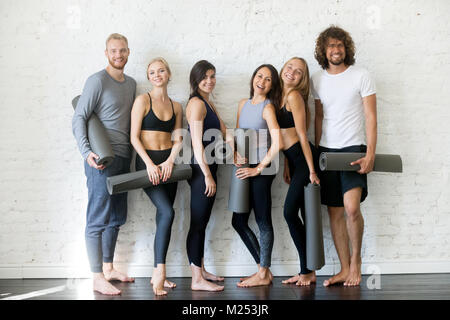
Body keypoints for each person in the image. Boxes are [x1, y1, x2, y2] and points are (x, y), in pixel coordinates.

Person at [312, 25, 377, 287]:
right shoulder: (317, 79)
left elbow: (371, 116)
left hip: (353, 150)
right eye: (331, 46)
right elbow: (318, 116)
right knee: (335, 213)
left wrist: (370, 153)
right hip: (327, 152)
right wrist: (317, 154)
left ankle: (356, 264)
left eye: (339, 45)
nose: (335, 50)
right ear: (323, 50)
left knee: (352, 209)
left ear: (346, 48)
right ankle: (343, 268)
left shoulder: (361, 75)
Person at [72, 33, 136, 295]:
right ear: (106, 53)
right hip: (100, 160)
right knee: (97, 217)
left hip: (122, 158)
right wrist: (87, 151)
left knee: (117, 217)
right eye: (113, 51)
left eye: (122, 51)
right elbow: (79, 118)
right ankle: (97, 276)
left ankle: (109, 268)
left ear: (128, 52)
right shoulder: (97, 81)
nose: (118, 55)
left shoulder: (131, 84)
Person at [130, 57, 183, 296]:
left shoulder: (177, 106)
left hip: (168, 165)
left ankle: (157, 270)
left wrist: (170, 160)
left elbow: (178, 138)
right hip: (147, 163)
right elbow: (133, 137)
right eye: (152, 72)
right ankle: (160, 272)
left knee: (165, 215)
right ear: (148, 77)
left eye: (161, 71)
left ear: (169, 74)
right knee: (167, 212)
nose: (157, 75)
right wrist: (150, 164)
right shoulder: (143, 100)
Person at [231, 64, 284, 287]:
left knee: (262, 219)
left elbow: (278, 142)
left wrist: (258, 168)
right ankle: (264, 270)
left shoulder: (268, 108)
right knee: (238, 220)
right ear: (253, 78)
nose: (262, 81)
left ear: (272, 85)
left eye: (268, 79)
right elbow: (236, 134)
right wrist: (234, 153)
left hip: (262, 170)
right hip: (244, 166)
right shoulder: (243, 104)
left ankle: (262, 272)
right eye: (260, 75)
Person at [185, 60, 235, 292]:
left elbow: (224, 131)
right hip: (199, 169)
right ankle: (196, 280)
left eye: (212, 76)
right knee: (197, 223)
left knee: (203, 222)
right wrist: (206, 175)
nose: (209, 80)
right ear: (195, 79)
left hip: (209, 167)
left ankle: (201, 269)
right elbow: (196, 145)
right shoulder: (196, 104)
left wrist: (233, 149)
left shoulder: (209, 103)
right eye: (204, 77)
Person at [277, 57, 321, 286]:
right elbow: (286, 137)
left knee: (289, 213)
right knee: (301, 215)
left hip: (305, 162)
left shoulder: (294, 97)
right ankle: (307, 270)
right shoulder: (278, 96)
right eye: (290, 67)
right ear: (283, 68)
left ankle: (307, 271)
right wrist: (287, 166)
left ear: (302, 79)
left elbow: (302, 136)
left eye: (299, 72)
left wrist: (312, 170)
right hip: (294, 161)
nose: (292, 72)